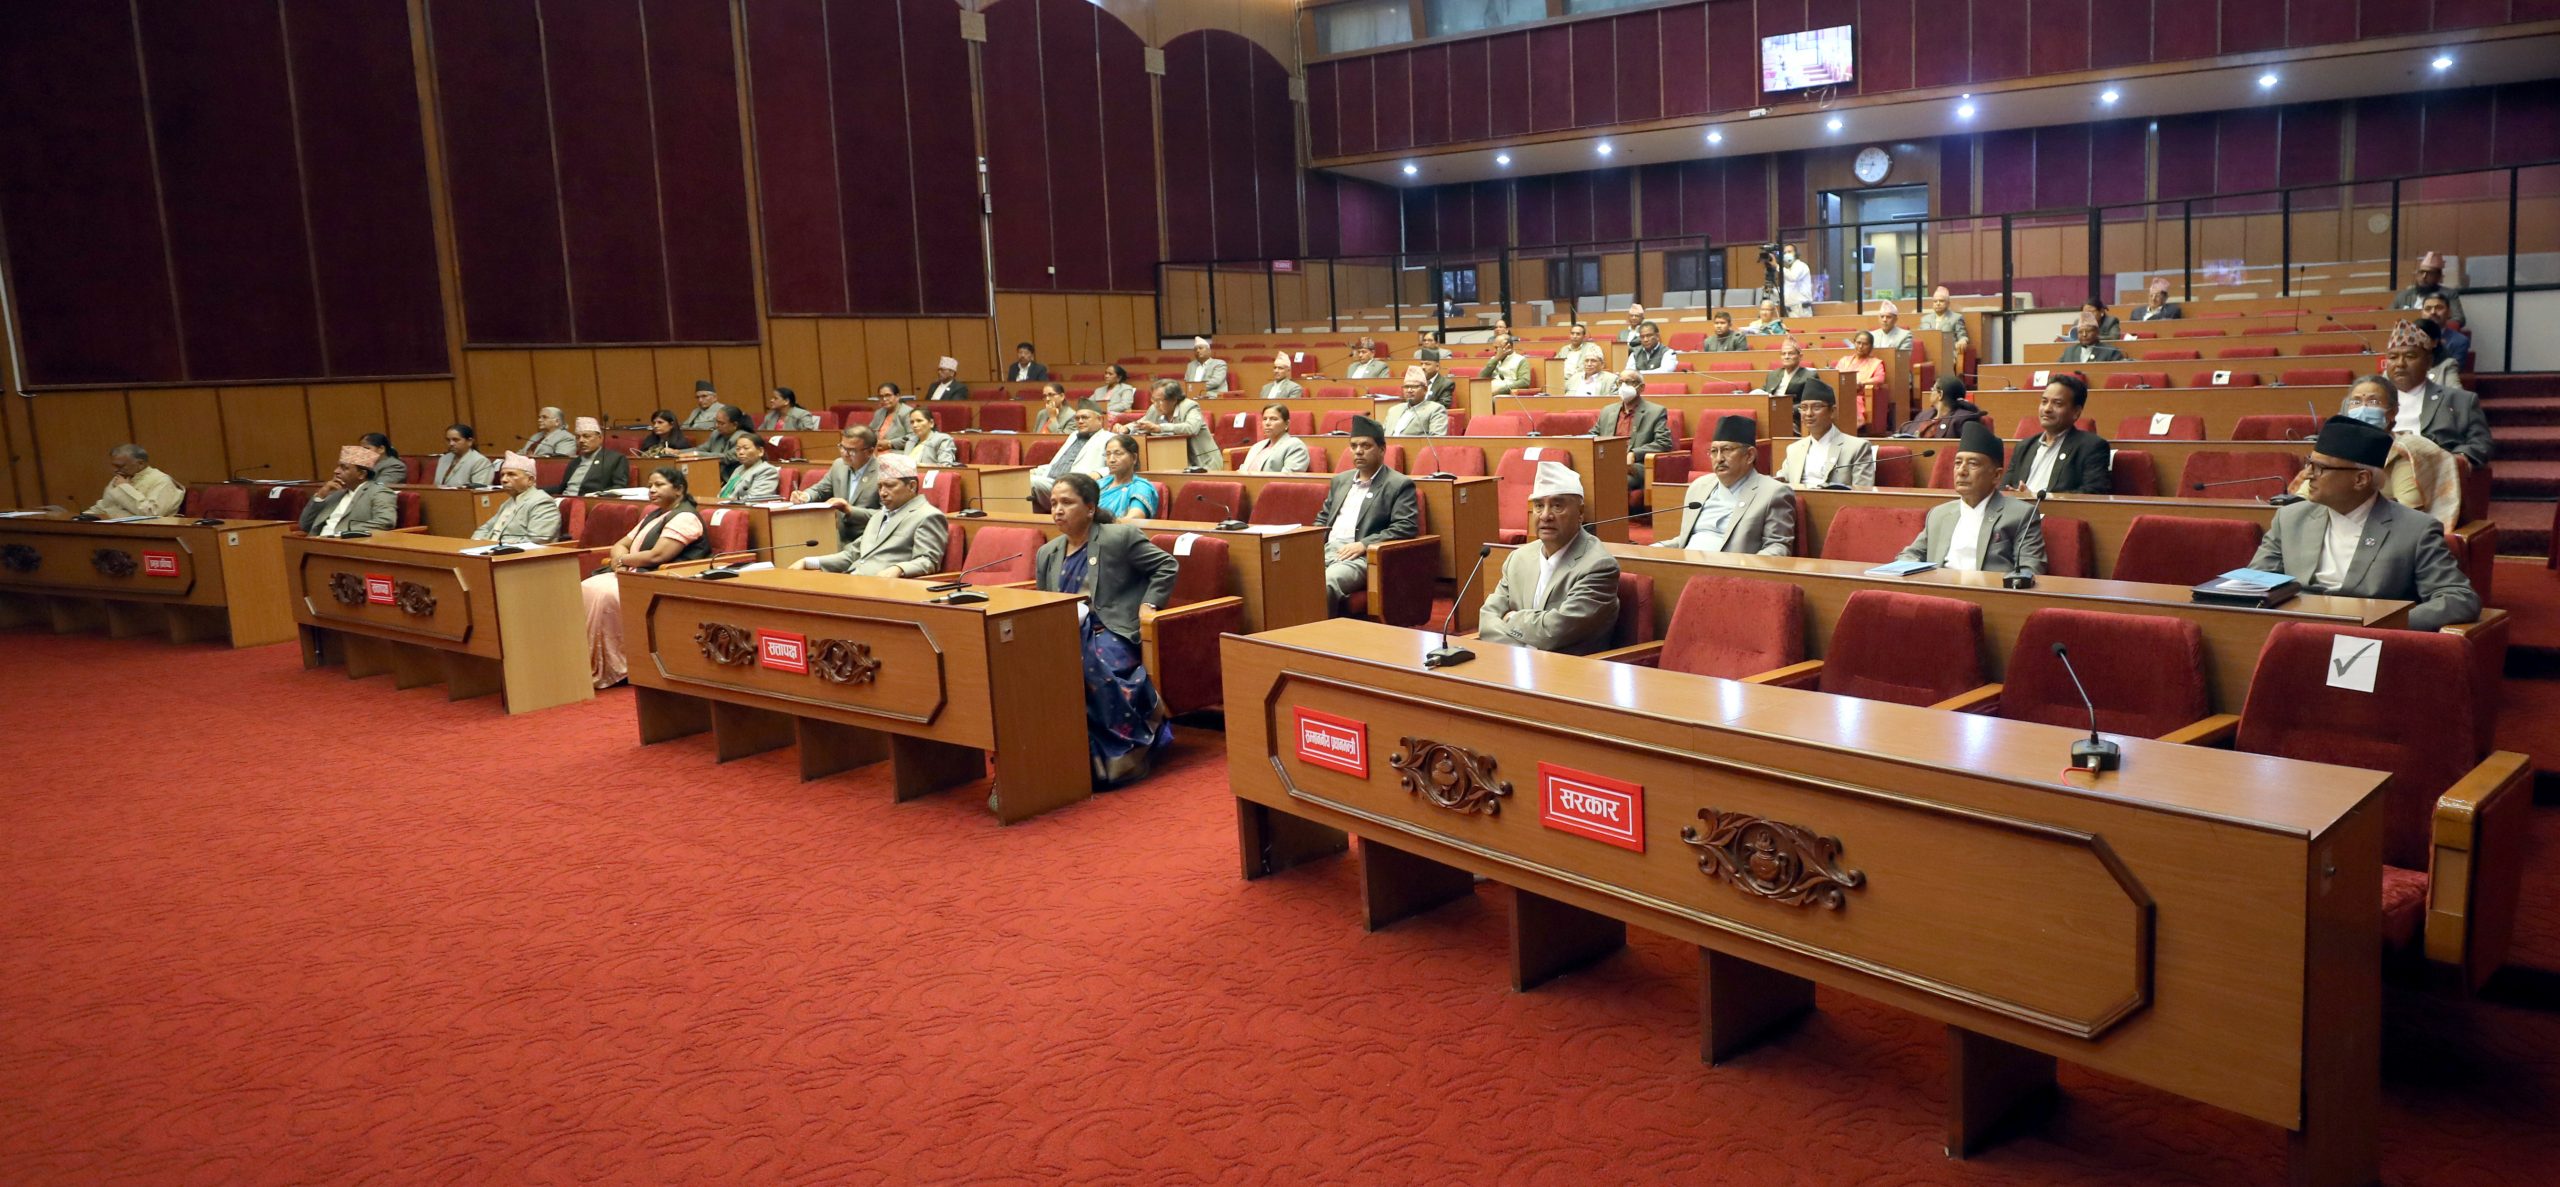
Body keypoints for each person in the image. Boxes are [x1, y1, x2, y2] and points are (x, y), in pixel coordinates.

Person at [2250, 416, 2478, 631]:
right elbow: (2252, 585)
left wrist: (2387, 624)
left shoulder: (2415, 530)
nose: (2308, 474)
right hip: (2295, 632)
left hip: (2370, 643)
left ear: (2360, 479)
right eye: (2309, 463)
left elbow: (2458, 598)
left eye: (2320, 468)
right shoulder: (2290, 519)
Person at [1034, 470, 1179, 787]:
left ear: (1089, 507)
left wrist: (1149, 603)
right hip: (1064, 631)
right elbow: (1043, 599)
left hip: (1109, 630)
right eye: (1054, 503)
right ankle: (1053, 758)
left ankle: (1116, 759)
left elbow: (1166, 565)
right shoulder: (1047, 553)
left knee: (1088, 664)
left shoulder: (1118, 538)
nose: (1057, 509)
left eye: (1067, 503)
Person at [581, 466, 711, 688]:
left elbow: (657, 555)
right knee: (586, 586)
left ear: (679, 489)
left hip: (661, 580)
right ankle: (584, 662)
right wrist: (619, 562)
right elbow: (621, 544)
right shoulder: (656, 513)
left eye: (659, 485)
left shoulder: (686, 517)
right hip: (634, 574)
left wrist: (622, 562)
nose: (652, 490)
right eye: (650, 485)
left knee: (604, 595)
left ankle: (617, 665)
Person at [1473, 461, 1621, 655]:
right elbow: (1487, 619)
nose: (1545, 515)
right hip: (1515, 667)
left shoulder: (1599, 566)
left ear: (1581, 513)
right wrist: (1522, 652)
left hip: (1570, 676)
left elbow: (1555, 632)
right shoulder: (1518, 558)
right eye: (1538, 506)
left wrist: (1512, 618)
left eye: (1557, 506)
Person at [2297, 375, 2462, 532]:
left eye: (2373, 401)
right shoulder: (2337, 450)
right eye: (2356, 402)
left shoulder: (2403, 452)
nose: (2363, 409)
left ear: (2392, 412)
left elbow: (2406, 515)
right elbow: (2302, 499)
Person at [1899, 422, 2047, 574]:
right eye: (1957, 463)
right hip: (1940, 591)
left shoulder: (2021, 515)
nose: (1962, 471)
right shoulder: (1938, 514)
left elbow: (2030, 569)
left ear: (1996, 475)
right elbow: (1910, 554)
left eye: (1973, 464)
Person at [1312, 416, 1419, 613]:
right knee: (1287, 576)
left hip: (1361, 556)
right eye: (1353, 446)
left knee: (1326, 583)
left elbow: (1406, 527)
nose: (1358, 451)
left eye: (1366, 446)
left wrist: (1364, 544)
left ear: (1382, 449)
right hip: (1327, 550)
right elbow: (1322, 519)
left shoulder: (1398, 484)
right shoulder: (1341, 481)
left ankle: (1319, 638)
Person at [795, 453, 947, 576]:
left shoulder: (927, 515)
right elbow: (853, 554)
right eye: (880, 486)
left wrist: (898, 569)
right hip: (852, 581)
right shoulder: (879, 516)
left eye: (890, 486)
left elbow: (927, 561)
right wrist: (809, 561)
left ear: (912, 486)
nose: (883, 493)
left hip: (885, 589)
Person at [2368, 319, 2490, 466]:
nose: (2400, 363)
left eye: (2410, 356)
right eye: (2393, 357)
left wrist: (2459, 459)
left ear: (2429, 361)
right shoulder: (2364, 400)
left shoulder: (2460, 400)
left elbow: (2481, 442)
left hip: (2432, 473)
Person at [1670, 416, 1792, 555]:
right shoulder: (1699, 486)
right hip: (1684, 565)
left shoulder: (1773, 492)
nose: (1719, 459)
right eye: (1714, 451)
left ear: (1750, 455)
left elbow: (1778, 547)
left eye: (1727, 450)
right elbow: (1684, 541)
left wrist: (1744, 569)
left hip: (1731, 571)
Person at [2005, 374, 2112, 494]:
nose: (2047, 409)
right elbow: (2004, 488)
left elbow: (2094, 493)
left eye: (2057, 403)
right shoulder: (2024, 446)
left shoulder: (2091, 447)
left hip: (2057, 512)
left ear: (2076, 412)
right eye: (2044, 402)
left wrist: (2038, 499)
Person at [792, 423, 883, 540]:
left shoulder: (883, 472)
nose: (844, 454)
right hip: (839, 537)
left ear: (869, 452)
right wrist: (805, 496)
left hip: (870, 539)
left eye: (852, 450)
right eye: (842, 447)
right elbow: (820, 490)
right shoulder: (839, 465)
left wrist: (850, 510)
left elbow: (888, 515)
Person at [1778, 385, 1876, 488]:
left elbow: (1863, 491)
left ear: (1832, 411)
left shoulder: (1857, 447)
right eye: (1804, 408)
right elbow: (1780, 482)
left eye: (1816, 407)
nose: (1809, 413)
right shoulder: (1794, 449)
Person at [1595, 369, 1673, 491]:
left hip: (1636, 465)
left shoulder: (1656, 412)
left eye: (1629, 382)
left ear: (1641, 388)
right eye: (1620, 382)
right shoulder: (1607, 411)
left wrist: (1635, 453)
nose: (1623, 386)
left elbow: (1664, 442)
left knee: (1612, 480)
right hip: (1607, 462)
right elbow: (1593, 434)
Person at [298, 445, 397, 537]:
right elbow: (305, 525)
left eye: (344, 468)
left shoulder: (379, 492)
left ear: (361, 474)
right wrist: (320, 496)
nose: (336, 471)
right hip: (316, 543)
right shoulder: (335, 492)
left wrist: (345, 532)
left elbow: (386, 521)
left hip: (347, 545)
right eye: (338, 466)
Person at [470, 452, 561, 544]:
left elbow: (537, 539)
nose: (504, 480)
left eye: (511, 474)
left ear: (530, 480)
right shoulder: (508, 502)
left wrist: (497, 545)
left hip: (517, 555)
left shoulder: (542, 502)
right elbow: (485, 528)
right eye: (502, 475)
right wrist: (476, 542)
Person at [1132, 379, 1221, 470]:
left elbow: (1191, 428)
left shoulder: (1189, 406)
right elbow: (1142, 422)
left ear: (1174, 399)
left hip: (1205, 462)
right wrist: (1126, 428)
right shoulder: (1155, 408)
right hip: (1174, 459)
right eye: (1153, 400)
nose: (1155, 404)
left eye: (1159, 400)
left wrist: (1160, 428)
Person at [1031, 403, 1113, 496]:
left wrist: (1099, 473)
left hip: (1076, 486)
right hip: (1051, 481)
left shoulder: (1109, 438)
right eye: (1077, 418)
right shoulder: (1073, 435)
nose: (1080, 421)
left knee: (1028, 483)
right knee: (1017, 479)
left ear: (1100, 419)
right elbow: (1058, 465)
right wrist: (1036, 471)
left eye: (1085, 417)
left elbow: (1122, 465)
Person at [82, 444, 184, 518]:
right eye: (113, 465)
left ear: (140, 463)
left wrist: (125, 488)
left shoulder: (161, 480)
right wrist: (83, 517)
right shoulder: (121, 477)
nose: (115, 470)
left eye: (120, 466)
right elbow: (105, 506)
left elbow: (152, 513)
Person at [550, 417, 631, 497]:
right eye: (578, 437)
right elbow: (562, 488)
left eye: (586, 436)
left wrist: (597, 495)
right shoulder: (575, 462)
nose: (581, 440)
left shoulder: (615, 459)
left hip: (588, 502)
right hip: (563, 500)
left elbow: (619, 488)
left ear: (600, 438)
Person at [2391, 251, 2467, 324]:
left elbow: (2459, 318)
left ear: (2438, 277)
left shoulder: (2449, 294)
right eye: (2421, 273)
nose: (2423, 277)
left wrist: (2436, 327)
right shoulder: (2403, 296)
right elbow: (2388, 316)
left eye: (2429, 273)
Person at [1834, 331, 1889, 431]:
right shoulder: (1844, 360)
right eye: (1858, 343)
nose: (1860, 346)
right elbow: (1835, 375)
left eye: (1865, 344)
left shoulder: (1876, 363)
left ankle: (1850, 430)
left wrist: (1861, 383)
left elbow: (1879, 379)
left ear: (1871, 346)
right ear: (1854, 343)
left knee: (1853, 401)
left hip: (1860, 395)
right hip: (1840, 393)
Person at [1095, 434, 1158, 519]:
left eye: (1118, 454)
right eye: (1108, 454)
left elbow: (1135, 516)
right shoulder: (1100, 484)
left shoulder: (1141, 487)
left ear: (1134, 458)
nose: (1111, 460)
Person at [1240, 404, 1312, 473]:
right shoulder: (1257, 446)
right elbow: (1242, 472)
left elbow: (1288, 478)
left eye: (1273, 419)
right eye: (1265, 419)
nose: (1267, 423)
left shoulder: (1295, 446)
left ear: (1286, 424)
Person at [1911, 376, 1986, 440]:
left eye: (1932, 389)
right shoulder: (1925, 414)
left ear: (1940, 394)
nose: (1931, 392)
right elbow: (1907, 431)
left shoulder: (1964, 419)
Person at [1381, 366, 1449, 437]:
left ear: (1425, 390)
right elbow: (1380, 437)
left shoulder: (1435, 409)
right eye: (1406, 387)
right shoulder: (1394, 410)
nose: (1409, 390)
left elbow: (1437, 439)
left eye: (1414, 387)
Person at [2422, 294, 2469, 387]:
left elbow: (2453, 371)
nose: (2433, 312)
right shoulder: (2411, 337)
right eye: (2428, 309)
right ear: (2422, 313)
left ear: (2449, 313)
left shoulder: (2460, 341)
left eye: (2438, 308)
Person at [718, 433, 781, 502]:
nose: (741, 452)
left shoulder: (767, 470)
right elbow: (724, 494)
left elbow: (755, 499)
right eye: (738, 449)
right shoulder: (739, 469)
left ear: (760, 451)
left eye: (746, 448)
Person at [431, 424, 497, 488]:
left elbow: (479, 491)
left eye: (456, 440)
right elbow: (437, 485)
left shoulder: (480, 461)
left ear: (469, 441)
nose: (451, 443)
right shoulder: (444, 458)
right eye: (448, 440)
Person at [1758, 340, 1823, 400]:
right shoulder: (1772, 374)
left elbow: (1810, 401)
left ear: (1800, 356)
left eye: (1791, 353)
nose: (1786, 357)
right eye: (1783, 354)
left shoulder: (1809, 376)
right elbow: (1764, 392)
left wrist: (1787, 409)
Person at [701, 404, 749, 480]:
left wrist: (696, 454)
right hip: (714, 476)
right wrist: (679, 452)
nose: (717, 426)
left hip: (733, 479)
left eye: (721, 423)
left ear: (734, 424)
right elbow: (701, 449)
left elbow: (726, 457)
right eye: (716, 422)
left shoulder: (743, 438)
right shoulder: (716, 434)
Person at [2058, 314, 2126, 363]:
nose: (2084, 335)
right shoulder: (2069, 351)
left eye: (2088, 331)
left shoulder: (2112, 352)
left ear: (2097, 332)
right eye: (2080, 332)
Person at [869, 383, 918, 449]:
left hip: (896, 451)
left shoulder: (907, 412)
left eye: (888, 395)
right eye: (881, 396)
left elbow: (914, 436)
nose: (884, 399)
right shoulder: (879, 412)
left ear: (897, 396)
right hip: (876, 449)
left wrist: (890, 443)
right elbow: (870, 432)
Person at [1779, 244, 1814, 316]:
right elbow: (1789, 291)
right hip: (1791, 310)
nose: (1787, 254)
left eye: (1789, 251)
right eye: (1785, 253)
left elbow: (1793, 277)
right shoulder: (1789, 270)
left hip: (1801, 310)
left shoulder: (1800, 265)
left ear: (1796, 253)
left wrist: (1777, 267)